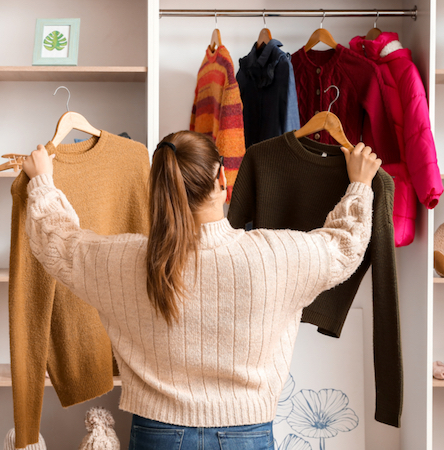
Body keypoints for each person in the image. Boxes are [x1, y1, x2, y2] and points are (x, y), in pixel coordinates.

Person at [21, 131, 381, 450]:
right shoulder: (276, 257)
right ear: (221, 178)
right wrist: (360, 185)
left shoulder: (124, 260)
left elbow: (58, 244)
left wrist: (42, 183)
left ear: (158, 188)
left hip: (157, 434)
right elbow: (345, 245)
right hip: (246, 433)